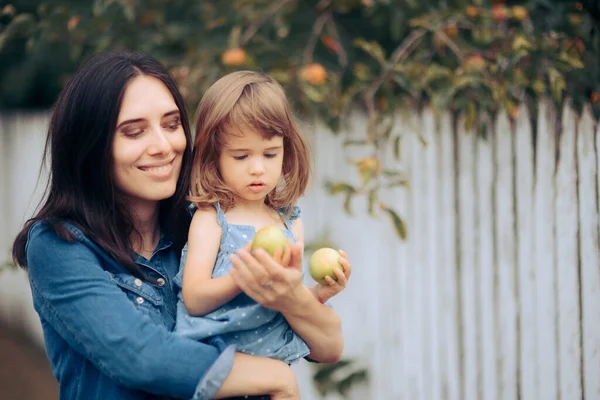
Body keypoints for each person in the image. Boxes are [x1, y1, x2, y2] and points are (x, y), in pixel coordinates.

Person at [11, 52, 344, 400]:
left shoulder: (208, 223)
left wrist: (293, 298)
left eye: (171, 125)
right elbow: (139, 356)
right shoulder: (60, 246)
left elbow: (329, 345)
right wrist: (275, 375)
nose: (163, 146)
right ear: (91, 145)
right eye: (134, 132)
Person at [174, 71, 352, 365]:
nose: (257, 168)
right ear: (214, 156)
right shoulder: (213, 219)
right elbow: (194, 298)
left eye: (270, 154)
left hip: (273, 370)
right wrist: (242, 279)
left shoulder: (288, 223)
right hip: (218, 366)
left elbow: (283, 303)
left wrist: (318, 293)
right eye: (241, 156)